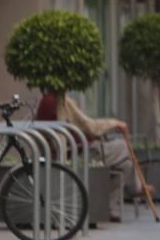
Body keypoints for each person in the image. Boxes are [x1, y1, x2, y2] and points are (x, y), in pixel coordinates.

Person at [36, 88, 145, 225]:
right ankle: (137, 188)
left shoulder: (45, 101)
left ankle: (110, 207)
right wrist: (115, 124)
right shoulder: (60, 101)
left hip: (77, 149)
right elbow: (90, 125)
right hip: (82, 152)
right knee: (124, 146)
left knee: (126, 165)